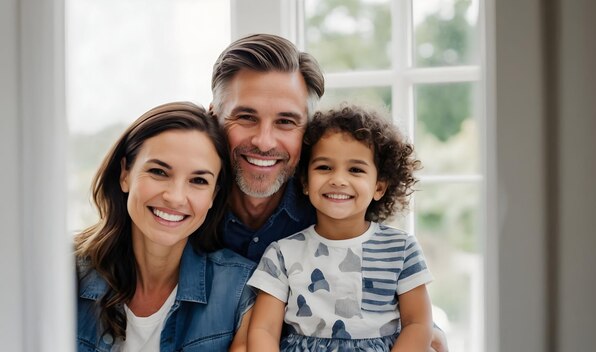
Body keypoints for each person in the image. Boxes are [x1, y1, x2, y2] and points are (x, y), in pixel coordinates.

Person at [211, 33, 449, 352]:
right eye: (246, 117)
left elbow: (414, 323)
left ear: (307, 133)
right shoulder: (183, 209)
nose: (264, 141)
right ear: (213, 117)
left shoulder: (341, 217)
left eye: (286, 121)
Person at [246, 104, 433, 351]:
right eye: (324, 167)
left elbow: (418, 324)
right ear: (305, 181)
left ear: (379, 186)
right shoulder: (281, 253)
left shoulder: (402, 250)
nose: (338, 180)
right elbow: (263, 330)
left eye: (355, 170)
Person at [75, 102, 256, 351]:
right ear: (125, 174)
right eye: (159, 172)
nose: (176, 197)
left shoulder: (241, 290)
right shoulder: (61, 273)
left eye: (198, 180)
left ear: (214, 194)